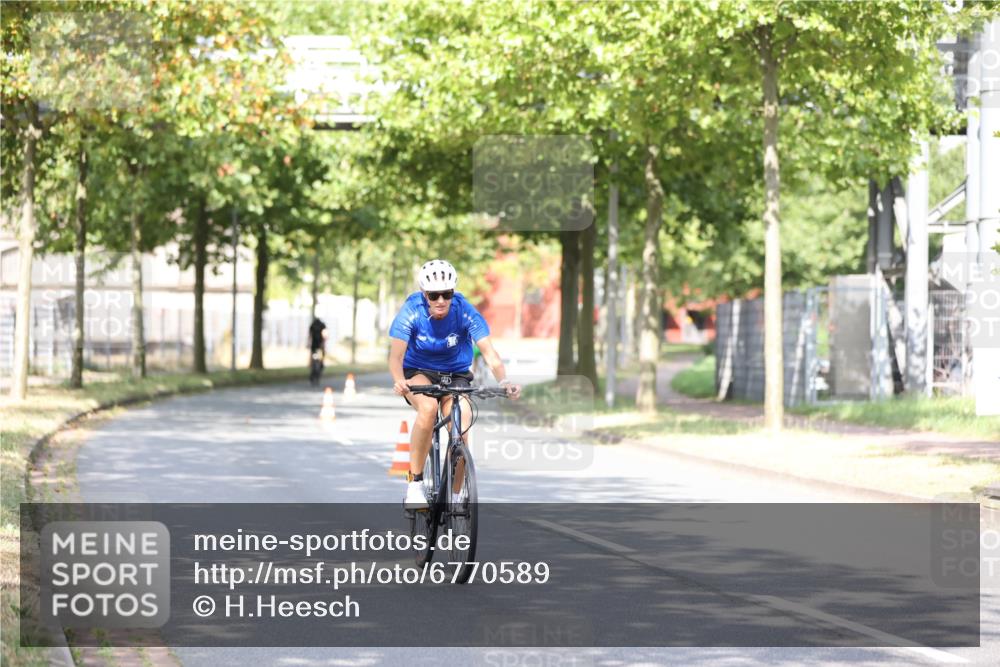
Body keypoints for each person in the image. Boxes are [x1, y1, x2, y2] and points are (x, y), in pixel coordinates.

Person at [389, 259, 521, 509]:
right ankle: (415, 483)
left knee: (462, 422)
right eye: (434, 295)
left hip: (456, 373)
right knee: (427, 409)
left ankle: (455, 495)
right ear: (424, 294)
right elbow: (395, 357)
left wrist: (504, 380)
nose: (440, 300)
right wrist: (399, 381)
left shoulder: (465, 311)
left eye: (447, 294)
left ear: (453, 293)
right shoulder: (411, 310)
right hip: (419, 371)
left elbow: (490, 354)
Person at [308, 317, 328, 385]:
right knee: (318, 363)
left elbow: (310, 336)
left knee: (315, 362)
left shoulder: (312, 325)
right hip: (319, 348)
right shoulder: (322, 325)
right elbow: (325, 336)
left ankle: (314, 376)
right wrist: (323, 345)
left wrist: (309, 344)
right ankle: (315, 376)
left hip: (314, 347)